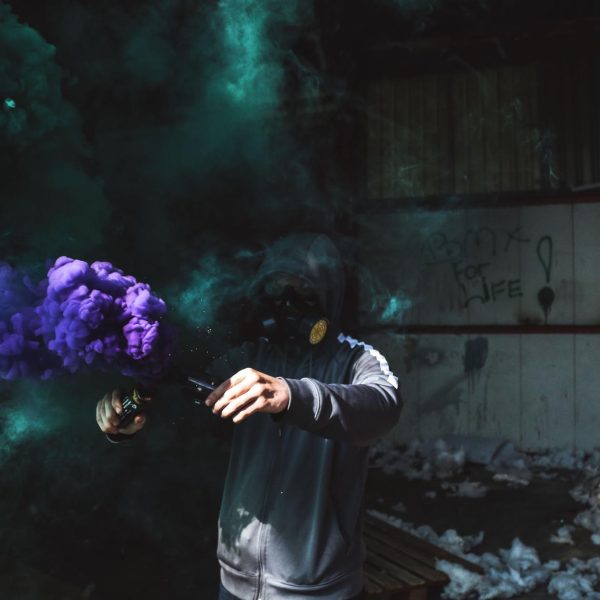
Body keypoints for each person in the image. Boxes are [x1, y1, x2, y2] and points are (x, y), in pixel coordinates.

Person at [96, 233, 402, 600]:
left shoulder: (357, 360)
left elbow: (383, 406)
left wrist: (291, 395)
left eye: (301, 289)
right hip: (235, 584)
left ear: (329, 296)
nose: (286, 301)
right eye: (276, 287)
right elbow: (186, 408)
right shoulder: (249, 357)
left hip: (319, 592)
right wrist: (131, 416)